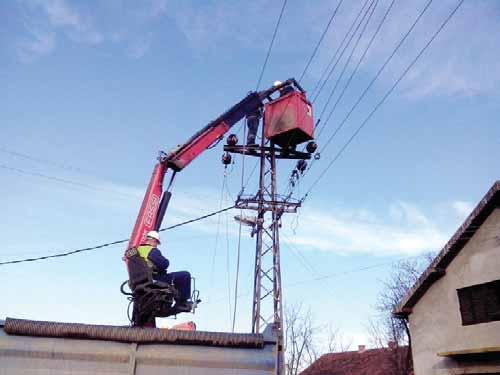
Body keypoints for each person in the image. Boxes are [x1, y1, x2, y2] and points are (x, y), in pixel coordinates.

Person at [137, 230, 193, 312]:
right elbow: (164, 264)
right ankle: (182, 303)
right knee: (185, 275)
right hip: (155, 279)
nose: (156, 245)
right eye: (156, 243)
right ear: (153, 240)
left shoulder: (137, 250)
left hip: (141, 280)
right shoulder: (152, 250)